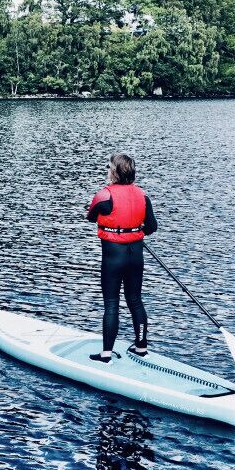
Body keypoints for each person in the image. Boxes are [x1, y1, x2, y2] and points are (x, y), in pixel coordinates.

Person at [85, 153, 158, 364]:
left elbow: (91, 217)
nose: (107, 171)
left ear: (115, 172)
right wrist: (134, 229)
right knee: (135, 300)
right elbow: (152, 227)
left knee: (111, 303)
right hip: (135, 255)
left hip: (113, 257)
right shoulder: (143, 196)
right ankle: (141, 348)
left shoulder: (103, 196)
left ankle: (106, 354)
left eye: (109, 167)